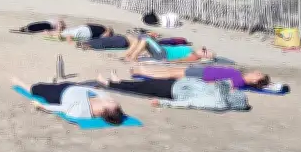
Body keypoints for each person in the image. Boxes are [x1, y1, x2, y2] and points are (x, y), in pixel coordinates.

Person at [94, 71, 250, 111]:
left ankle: (109, 83)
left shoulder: (217, 102)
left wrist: (162, 103)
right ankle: (119, 81)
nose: (233, 89)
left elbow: (190, 103)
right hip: (179, 84)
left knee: (142, 88)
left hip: (174, 91)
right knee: (146, 83)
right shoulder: (222, 92)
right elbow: (222, 84)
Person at [11, 77, 126, 124]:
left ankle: (19, 83)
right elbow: (98, 92)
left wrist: (42, 106)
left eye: (112, 103)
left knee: (37, 88)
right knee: (64, 83)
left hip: (59, 94)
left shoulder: (82, 111)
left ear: (105, 110)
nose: (112, 100)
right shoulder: (103, 101)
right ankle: (58, 81)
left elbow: (62, 109)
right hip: (72, 86)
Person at [130, 65, 270, 89]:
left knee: (170, 73)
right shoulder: (240, 77)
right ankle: (144, 71)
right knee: (171, 71)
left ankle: (143, 72)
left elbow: (221, 84)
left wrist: (204, 82)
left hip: (203, 76)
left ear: (255, 80)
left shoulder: (239, 81)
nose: (255, 72)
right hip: (204, 71)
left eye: (257, 75)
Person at [120, 34, 214, 62]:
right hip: (161, 50)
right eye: (204, 48)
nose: (203, 49)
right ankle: (127, 55)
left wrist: (167, 62)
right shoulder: (191, 50)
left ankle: (132, 57)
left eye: (204, 51)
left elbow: (180, 61)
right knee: (140, 37)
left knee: (146, 38)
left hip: (163, 54)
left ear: (204, 57)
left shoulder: (193, 56)